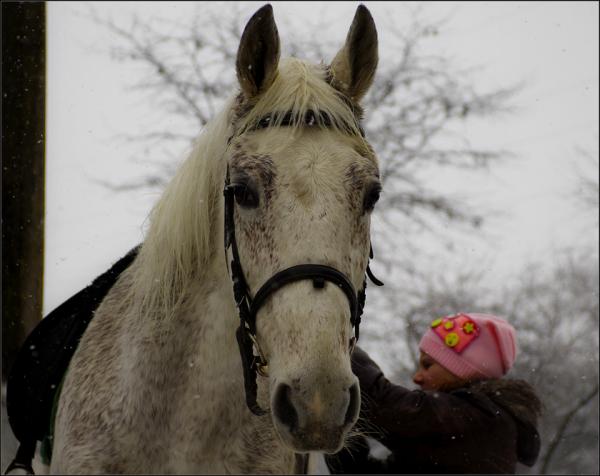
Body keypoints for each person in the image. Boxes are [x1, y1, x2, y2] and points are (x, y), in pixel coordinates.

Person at [326, 312, 542, 474]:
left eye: (427, 365)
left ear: (463, 370)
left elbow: (385, 407)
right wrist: (334, 427)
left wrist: (333, 342)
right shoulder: (458, 433)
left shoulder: (478, 418)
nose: (417, 378)